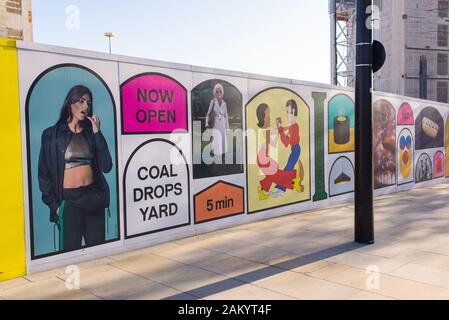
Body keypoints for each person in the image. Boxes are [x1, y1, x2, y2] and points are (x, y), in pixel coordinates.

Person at [38, 85, 112, 252]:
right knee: (70, 256)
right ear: (70, 104)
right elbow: (44, 175)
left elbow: (107, 166)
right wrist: (55, 206)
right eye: (81, 101)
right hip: (69, 202)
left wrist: (97, 133)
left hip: (94, 199)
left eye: (88, 103)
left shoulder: (91, 134)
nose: (85, 107)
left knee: (98, 253)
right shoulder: (51, 134)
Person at [256, 103, 296, 201]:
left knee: (272, 176)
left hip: (264, 158)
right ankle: (293, 181)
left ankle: (263, 189)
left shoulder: (266, 130)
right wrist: (280, 130)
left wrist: (280, 128)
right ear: (263, 116)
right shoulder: (264, 130)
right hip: (263, 159)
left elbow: (274, 139)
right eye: (268, 114)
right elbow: (272, 141)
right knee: (278, 175)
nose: (270, 117)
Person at [272, 100, 302, 198]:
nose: (287, 115)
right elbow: (287, 133)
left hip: (295, 150)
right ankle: (281, 189)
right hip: (295, 150)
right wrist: (280, 128)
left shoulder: (294, 127)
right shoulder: (293, 126)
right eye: (286, 112)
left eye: (288, 112)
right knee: (287, 169)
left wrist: (280, 129)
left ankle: (281, 190)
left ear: (293, 111)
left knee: (287, 170)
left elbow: (286, 142)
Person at [205, 83, 229, 162]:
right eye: (217, 91)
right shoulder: (213, 102)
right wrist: (207, 124)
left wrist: (227, 128)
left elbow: (226, 116)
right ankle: (214, 152)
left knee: (223, 140)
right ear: (215, 93)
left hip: (223, 123)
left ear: (222, 93)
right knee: (216, 139)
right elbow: (208, 113)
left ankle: (223, 155)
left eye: (220, 91)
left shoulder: (224, 103)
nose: (219, 93)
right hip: (215, 123)